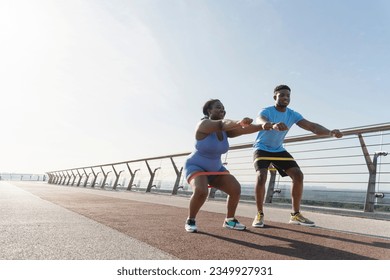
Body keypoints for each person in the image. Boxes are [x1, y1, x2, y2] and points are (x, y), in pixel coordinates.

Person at [252, 85, 343, 228]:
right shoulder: (266, 111)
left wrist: (330, 132)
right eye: (282, 95)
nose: (285, 98)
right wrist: (272, 125)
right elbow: (260, 120)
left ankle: (295, 215)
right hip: (262, 148)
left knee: (298, 175)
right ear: (275, 96)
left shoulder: (292, 114)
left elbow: (312, 127)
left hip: (278, 150)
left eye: (288, 95)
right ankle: (259, 214)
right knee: (261, 176)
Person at [184, 99, 265, 233]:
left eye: (223, 108)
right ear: (209, 111)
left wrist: (263, 126)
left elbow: (243, 130)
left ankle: (229, 220)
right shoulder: (203, 124)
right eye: (218, 108)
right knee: (201, 191)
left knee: (235, 189)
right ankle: (191, 219)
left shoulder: (226, 131)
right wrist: (239, 121)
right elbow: (222, 123)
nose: (222, 110)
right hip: (196, 165)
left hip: (216, 168)